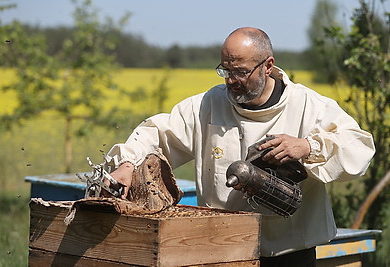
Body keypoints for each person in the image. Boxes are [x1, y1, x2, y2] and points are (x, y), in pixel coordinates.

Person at [103, 27, 375, 266]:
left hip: (291, 252)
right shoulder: (207, 106)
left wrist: (307, 146)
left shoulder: (310, 106)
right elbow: (157, 134)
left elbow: (359, 148)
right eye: (226, 70)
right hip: (221, 249)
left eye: (241, 71)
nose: (231, 79)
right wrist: (127, 164)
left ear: (268, 66)